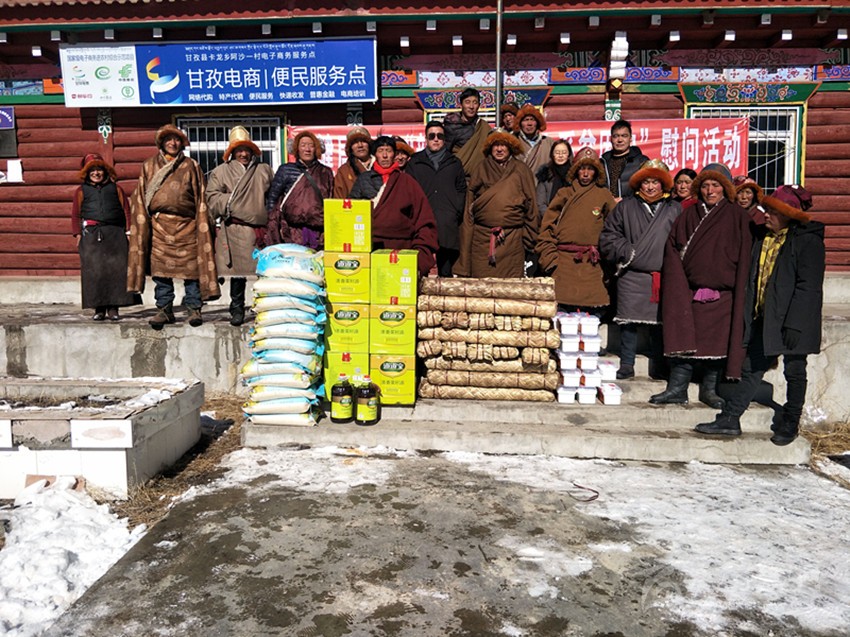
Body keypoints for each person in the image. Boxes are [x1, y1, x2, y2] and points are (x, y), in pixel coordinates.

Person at [695, 185, 824, 445]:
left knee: (794, 370)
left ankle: (791, 421)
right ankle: (731, 418)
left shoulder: (807, 242)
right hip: (766, 316)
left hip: (794, 321)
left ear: (788, 215)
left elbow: (808, 287)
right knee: (752, 368)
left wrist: (795, 324)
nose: (766, 215)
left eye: (773, 212)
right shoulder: (763, 237)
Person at [650, 163, 752, 407]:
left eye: (715, 185)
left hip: (723, 295)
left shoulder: (737, 216)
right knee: (683, 336)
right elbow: (672, 248)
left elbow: (745, 255)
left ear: (725, 188)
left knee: (717, 344)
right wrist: (678, 283)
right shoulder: (688, 214)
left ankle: (709, 390)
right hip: (690, 291)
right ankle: (677, 389)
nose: (710, 191)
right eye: (705, 185)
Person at [127, 124, 219, 330]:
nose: (173, 143)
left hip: (188, 225)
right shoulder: (149, 165)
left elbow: (201, 196)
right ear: (161, 143)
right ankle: (164, 309)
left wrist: (204, 223)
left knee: (192, 272)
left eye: (176, 139)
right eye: (168, 139)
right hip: (159, 227)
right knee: (161, 273)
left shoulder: (191, 165)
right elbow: (140, 195)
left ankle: (194, 308)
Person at [599, 159, 682, 380]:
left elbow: (683, 239)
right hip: (631, 273)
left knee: (659, 324)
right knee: (628, 323)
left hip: (662, 274)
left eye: (655, 182)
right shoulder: (625, 206)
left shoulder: (674, 208)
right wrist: (628, 252)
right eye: (646, 182)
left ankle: (659, 365)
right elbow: (609, 235)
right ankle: (627, 364)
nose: (651, 187)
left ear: (663, 184)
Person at [206, 126, 273, 326]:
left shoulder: (264, 170)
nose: (243, 154)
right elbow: (212, 198)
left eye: (246, 150)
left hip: (259, 230)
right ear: (232, 152)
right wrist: (234, 203)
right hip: (234, 229)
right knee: (238, 275)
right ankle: (237, 309)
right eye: (239, 150)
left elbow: (272, 197)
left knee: (264, 273)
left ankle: (263, 308)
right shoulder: (221, 172)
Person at [536, 147, 615, 312]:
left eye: (590, 169)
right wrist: (551, 260)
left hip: (592, 265)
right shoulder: (564, 193)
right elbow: (547, 228)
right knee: (563, 318)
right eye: (582, 169)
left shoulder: (604, 195)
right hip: (564, 264)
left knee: (592, 317)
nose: (585, 174)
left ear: (596, 172)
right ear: (575, 171)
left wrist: (607, 262)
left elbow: (614, 229)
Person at [349, 136, 438, 276]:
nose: (385, 155)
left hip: (401, 247)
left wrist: (421, 252)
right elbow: (351, 212)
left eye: (389, 151)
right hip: (371, 246)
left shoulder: (407, 181)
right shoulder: (364, 180)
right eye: (381, 151)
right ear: (375, 154)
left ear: (394, 154)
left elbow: (423, 217)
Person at [455, 131, 537, 278]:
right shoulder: (481, 168)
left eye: (503, 145)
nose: (499, 149)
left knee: (510, 286)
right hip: (482, 238)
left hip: (512, 239)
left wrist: (528, 238)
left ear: (510, 148)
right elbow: (469, 206)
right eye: (495, 145)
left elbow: (531, 205)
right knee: (482, 285)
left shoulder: (521, 169)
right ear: (490, 148)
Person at [70, 153, 140, 321]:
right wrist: (77, 234)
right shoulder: (81, 191)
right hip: (92, 235)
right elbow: (75, 214)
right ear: (86, 173)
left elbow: (126, 210)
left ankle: (113, 308)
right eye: (92, 170)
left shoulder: (116, 189)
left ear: (105, 171)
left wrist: (128, 231)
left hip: (115, 234)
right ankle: (99, 309)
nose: (96, 173)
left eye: (99, 169)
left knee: (116, 271)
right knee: (95, 272)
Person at [407, 120, 467, 277]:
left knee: (446, 272)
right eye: (431, 136)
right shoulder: (415, 162)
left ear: (444, 139)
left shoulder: (454, 162)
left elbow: (461, 189)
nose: (436, 139)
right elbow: (408, 191)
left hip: (447, 222)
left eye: (439, 136)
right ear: (426, 139)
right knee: (420, 270)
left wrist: (456, 210)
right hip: (421, 223)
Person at [264, 129, 333, 251]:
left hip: (319, 232)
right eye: (303, 145)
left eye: (311, 145)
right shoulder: (285, 170)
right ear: (296, 149)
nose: (307, 149)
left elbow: (331, 198)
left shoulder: (325, 172)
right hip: (291, 231)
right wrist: (273, 225)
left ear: (317, 149)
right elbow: (273, 198)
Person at [443, 87, 493, 178]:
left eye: (475, 102)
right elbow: (444, 152)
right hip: (458, 175)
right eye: (467, 102)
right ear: (461, 104)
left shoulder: (483, 126)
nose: (471, 106)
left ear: (479, 105)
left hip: (479, 176)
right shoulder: (451, 126)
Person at [601, 119, 648, 201]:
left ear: (630, 138)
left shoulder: (641, 161)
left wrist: (625, 201)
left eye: (624, 136)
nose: (620, 140)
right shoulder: (603, 162)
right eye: (616, 136)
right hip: (608, 207)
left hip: (632, 207)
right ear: (611, 139)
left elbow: (648, 190)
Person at [512, 104, 555, 182]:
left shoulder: (549, 143)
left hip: (543, 186)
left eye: (532, 119)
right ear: (520, 123)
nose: (529, 123)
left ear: (538, 122)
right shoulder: (513, 142)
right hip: (520, 185)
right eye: (526, 120)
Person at [535, 139, 573, 221]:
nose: (560, 156)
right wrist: (552, 218)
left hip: (571, 219)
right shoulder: (545, 174)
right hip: (550, 220)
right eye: (557, 153)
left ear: (569, 154)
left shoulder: (574, 175)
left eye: (564, 152)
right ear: (552, 155)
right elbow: (540, 203)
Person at [333, 126, 373, 198]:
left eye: (363, 141)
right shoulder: (344, 171)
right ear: (350, 148)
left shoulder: (380, 165)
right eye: (355, 142)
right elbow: (339, 198)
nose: (360, 145)